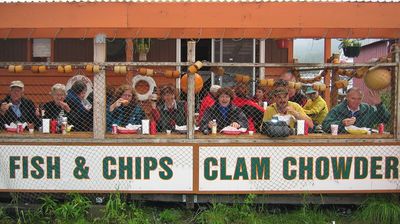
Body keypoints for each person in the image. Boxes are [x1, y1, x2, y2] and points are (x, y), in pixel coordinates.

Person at [322, 87, 390, 134]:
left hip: (365, 144)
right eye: (353, 98)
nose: (356, 101)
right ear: (347, 98)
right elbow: (325, 126)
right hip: (342, 143)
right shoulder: (337, 110)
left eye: (359, 99)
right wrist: (342, 123)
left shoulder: (368, 109)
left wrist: (379, 104)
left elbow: (385, 119)